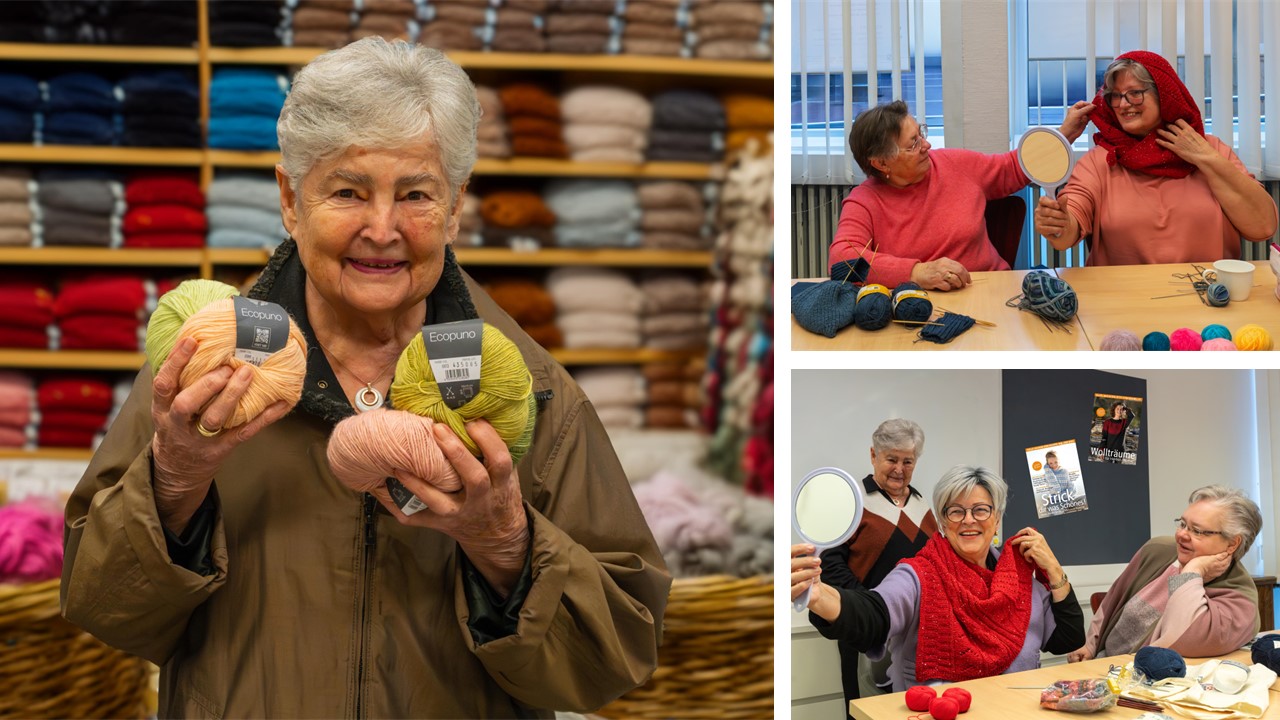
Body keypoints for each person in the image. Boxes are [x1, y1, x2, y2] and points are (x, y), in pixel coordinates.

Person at [59, 38, 670, 718]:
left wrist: (505, 543)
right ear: (291, 199)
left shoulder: (533, 392)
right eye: (348, 191)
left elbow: (615, 655)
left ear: (457, 205)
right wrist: (171, 479)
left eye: (416, 194)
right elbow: (102, 608)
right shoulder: (203, 372)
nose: (383, 229)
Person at [793, 465, 1084, 691]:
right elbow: (874, 614)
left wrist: (1055, 570)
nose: (969, 520)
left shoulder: (1020, 579)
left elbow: (1066, 640)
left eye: (981, 510)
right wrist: (819, 596)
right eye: (955, 511)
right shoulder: (920, 574)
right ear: (943, 523)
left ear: (997, 518)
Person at [1035, 50, 1278, 265]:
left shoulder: (1211, 149)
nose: (1123, 104)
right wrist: (1060, 223)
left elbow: (1263, 226)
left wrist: (1205, 157)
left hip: (1209, 299)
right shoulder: (1101, 161)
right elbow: (1069, 226)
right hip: (1123, 302)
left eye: (1135, 93)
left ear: (1164, 94)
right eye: (1115, 96)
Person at [828, 99, 1094, 291]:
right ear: (881, 163)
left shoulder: (956, 164)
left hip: (992, 292)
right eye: (914, 144)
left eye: (921, 134)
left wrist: (1064, 134)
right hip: (921, 304)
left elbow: (1016, 166)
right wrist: (917, 272)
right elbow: (842, 258)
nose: (927, 145)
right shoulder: (865, 201)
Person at [815, 419, 938, 710]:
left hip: (919, 635)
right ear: (874, 455)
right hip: (866, 627)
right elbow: (830, 565)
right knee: (869, 709)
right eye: (891, 459)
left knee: (912, 709)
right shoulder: (851, 501)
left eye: (908, 461)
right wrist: (869, 608)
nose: (899, 469)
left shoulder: (924, 507)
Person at [1070, 485, 1262, 661]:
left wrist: (1193, 571)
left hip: (1147, 683)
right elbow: (1112, 600)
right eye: (1183, 524)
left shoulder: (1241, 601)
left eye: (1197, 531)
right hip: (1103, 667)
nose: (1181, 535)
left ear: (1232, 543)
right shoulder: (1158, 550)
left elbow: (1183, 639)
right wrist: (1090, 645)